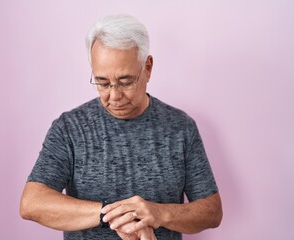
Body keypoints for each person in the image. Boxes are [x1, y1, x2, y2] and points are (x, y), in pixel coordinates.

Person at [20, 14, 223, 240]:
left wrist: (159, 213)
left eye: (126, 81)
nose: (114, 95)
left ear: (147, 67)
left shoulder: (180, 128)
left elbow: (211, 211)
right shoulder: (69, 128)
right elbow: (32, 203)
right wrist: (115, 214)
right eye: (103, 83)